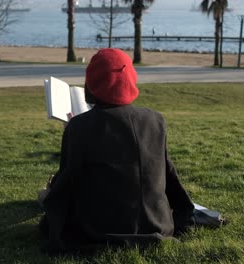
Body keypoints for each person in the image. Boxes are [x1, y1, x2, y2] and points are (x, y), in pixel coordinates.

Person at [38, 48, 195, 255]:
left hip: (98, 231)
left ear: (91, 83)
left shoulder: (80, 127)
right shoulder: (155, 120)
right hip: (157, 225)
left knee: (45, 197)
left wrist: (48, 201)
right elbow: (168, 176)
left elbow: (66, 185)